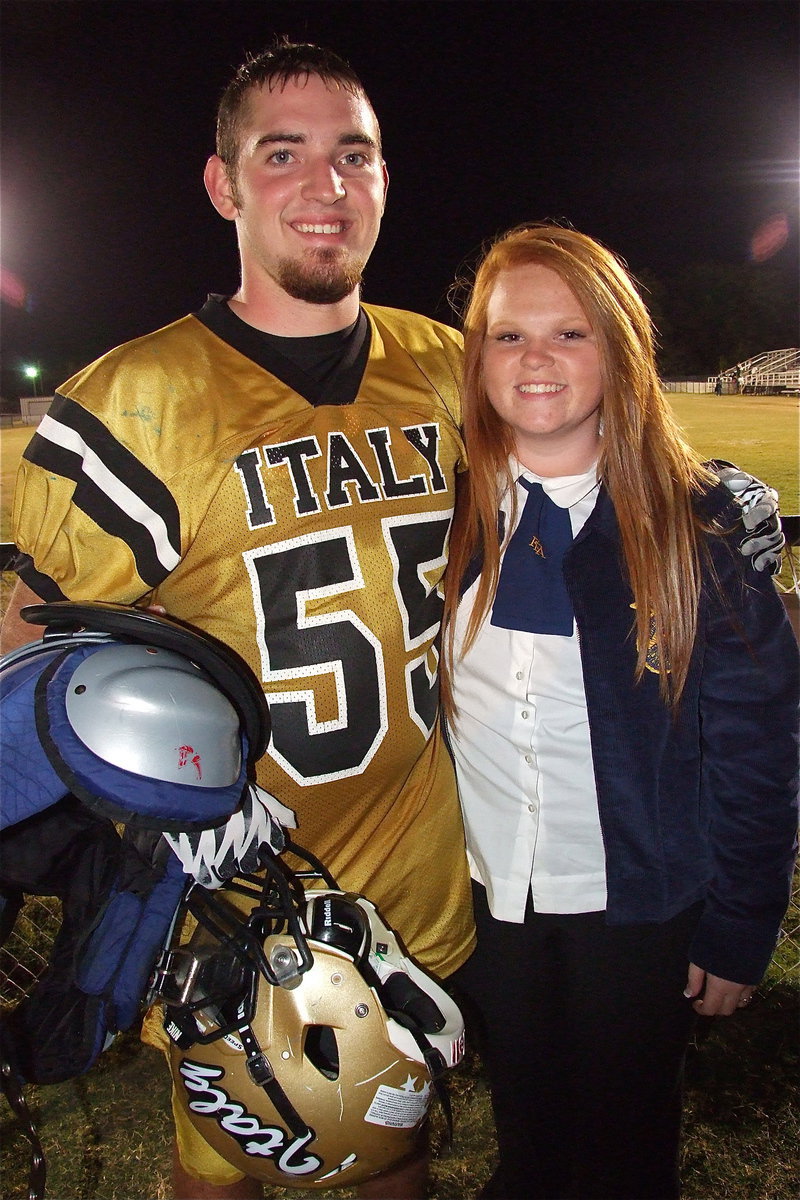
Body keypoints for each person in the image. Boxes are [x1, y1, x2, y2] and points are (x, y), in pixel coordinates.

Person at [1, 40, 475, 1200]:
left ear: (382, 176)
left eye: (351, 154)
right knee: (220, 1169)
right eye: (284, 154)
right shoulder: (138, 396)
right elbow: (24, 647)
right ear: (224, 186)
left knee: (389, 1153)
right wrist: (142, 786)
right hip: (227, 894)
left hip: (417, 868)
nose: (325, 185)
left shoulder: (445, 363)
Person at [440, 224, 799, 1200]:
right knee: (526, 1145)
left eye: (569, 333)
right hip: (487, 910)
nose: (536, 360)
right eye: (508, 336)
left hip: (635, 915)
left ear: (619, 349)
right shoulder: (444, 516)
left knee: (625, 1159)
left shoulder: (697, 528)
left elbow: (757, 753)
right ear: (475, 359)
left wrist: (737, 924)